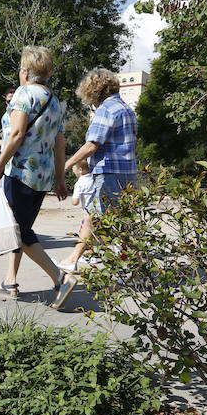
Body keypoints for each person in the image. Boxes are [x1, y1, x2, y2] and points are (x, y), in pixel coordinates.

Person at [0, 46, 68, 299]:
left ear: (26, 72)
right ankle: (10, 280)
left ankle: (59, 278)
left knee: (18, 231)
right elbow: (60, 143)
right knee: (19, 228)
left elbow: (17, 133)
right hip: (42, 177)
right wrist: (60, 179)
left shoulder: (24, 93)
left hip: (19, 172)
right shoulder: (54, 101)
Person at [53, 67, 138, 309]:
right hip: (127, 172)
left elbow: (92, 145)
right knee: (119, 221)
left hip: (109, 171)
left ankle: (74, 259)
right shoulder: (126, 108)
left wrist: (67, 164)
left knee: (94, 218)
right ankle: (129, 266)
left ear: (93, 89)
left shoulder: (107, 109)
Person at [56, 161, 97, 272]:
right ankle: (90, 253)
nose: (73, 173)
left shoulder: (80, 183)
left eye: (74, 170)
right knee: (94, 233)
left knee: (84, 233)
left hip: (87, 212)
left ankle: (80, 257)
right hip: (97, 210)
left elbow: (75, 202)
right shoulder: (94, 179)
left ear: (80, 170)